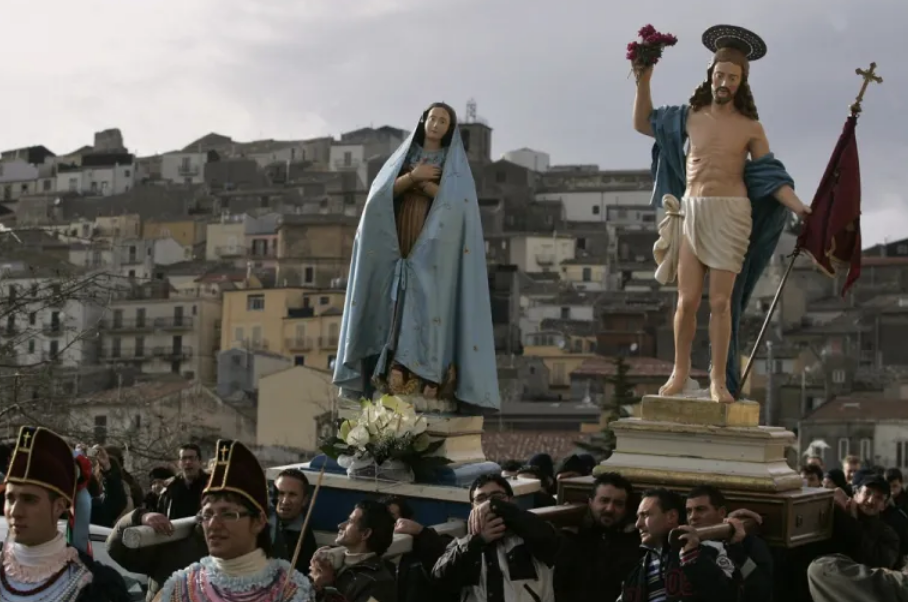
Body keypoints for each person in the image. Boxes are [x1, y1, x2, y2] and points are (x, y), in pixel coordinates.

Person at [635, 24, 809, 401]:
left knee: (719, 303)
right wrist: (643, 79)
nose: (724, 82)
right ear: (710, 75)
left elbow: (770, 176)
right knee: (687, 301)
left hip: (731, 215)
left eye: (732, 77)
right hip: (693, 211)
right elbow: (643, 122)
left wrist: (801, 207)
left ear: (742, 82)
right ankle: (680, 372)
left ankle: (717, 379)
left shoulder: (750, 127)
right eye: (720, 75)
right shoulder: (689, 116)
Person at [333, 101, 499, 411]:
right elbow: (381, 195)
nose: (436, 124)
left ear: (450, 129)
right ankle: (390, 370)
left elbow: (458, 205)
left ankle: (425, 376)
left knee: (428, 300)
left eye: (443, 121)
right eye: (432, 118)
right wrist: (413, 177)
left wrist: (422, 185)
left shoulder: (452, 163)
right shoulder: (405, 157)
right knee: (396, 298)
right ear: (423, 121)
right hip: (400, 232)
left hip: (434, 238)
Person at [154, 439, 313, 601]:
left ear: (258, 521)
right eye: (207, 515)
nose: (213, 525)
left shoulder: (290, 592)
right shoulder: (181, 589)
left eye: (228, 514)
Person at [2, 426, 132, 601]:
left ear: (59, 506)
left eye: (29, 500)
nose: (15, 511)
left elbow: (112, 505)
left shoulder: (97, 586)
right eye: (10, 498)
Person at [433, 474, 559, 602]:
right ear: (472, 507)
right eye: (481, 499)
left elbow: (551, 542)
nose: (487, 505)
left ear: (511, 500)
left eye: (497, 497)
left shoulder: (529, 533)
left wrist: (496, 506)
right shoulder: (463, 544)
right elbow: (440, 578)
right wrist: (477, 541)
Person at [619, 488, 739, 601]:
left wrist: (693, 558)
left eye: (645, 515)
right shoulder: (636, 570)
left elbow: (729, 596)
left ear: (671, 517)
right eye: (638, 517)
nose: (638, 524)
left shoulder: (710, 550)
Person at [555, 472, 641, 602]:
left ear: (626, 509)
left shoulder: (635, 543)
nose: (610, 509)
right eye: (604, 501)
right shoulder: (571, 539)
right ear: (591, 502)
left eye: (618, 504)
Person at [309, 499, 397, 602]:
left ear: (365, 534)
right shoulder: (333, 565)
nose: (340, 525)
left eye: (350, 521)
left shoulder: (380, 583)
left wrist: (327, 588)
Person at [272, 468, 318, 574]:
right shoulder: (257, 525)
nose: (285, 501)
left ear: (304, 500)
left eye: (292, 495)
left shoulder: (305, 541)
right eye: (281, 493)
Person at [156, 443, 207, 520]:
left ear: (200, 461)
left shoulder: (211, 485)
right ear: (178, 463)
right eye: (184, 458)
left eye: (191, 458)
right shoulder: (170, 488)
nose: (188, 462)